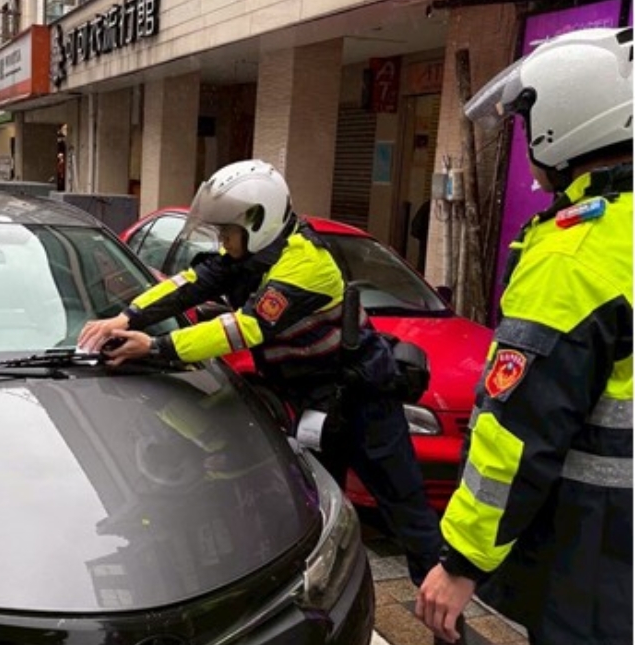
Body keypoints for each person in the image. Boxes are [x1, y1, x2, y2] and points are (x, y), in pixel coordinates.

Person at [80, 159, 450, 640]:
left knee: (408, 515)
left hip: (364, 403)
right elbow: (190, 284)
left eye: (227, 232)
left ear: (258, 224)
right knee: (321, 515)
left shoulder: (304, 263)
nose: (221, 242)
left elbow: (245, 327)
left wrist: (157, 347)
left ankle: (446, 618)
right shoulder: (249, 257)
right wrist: (126, 318)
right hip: (316, 406)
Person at [415, 27, 632, 645]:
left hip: (599, 555)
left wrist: (461, 562)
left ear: (561, 118)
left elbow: (516, 432)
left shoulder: (575, 255)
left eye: (526, 118)